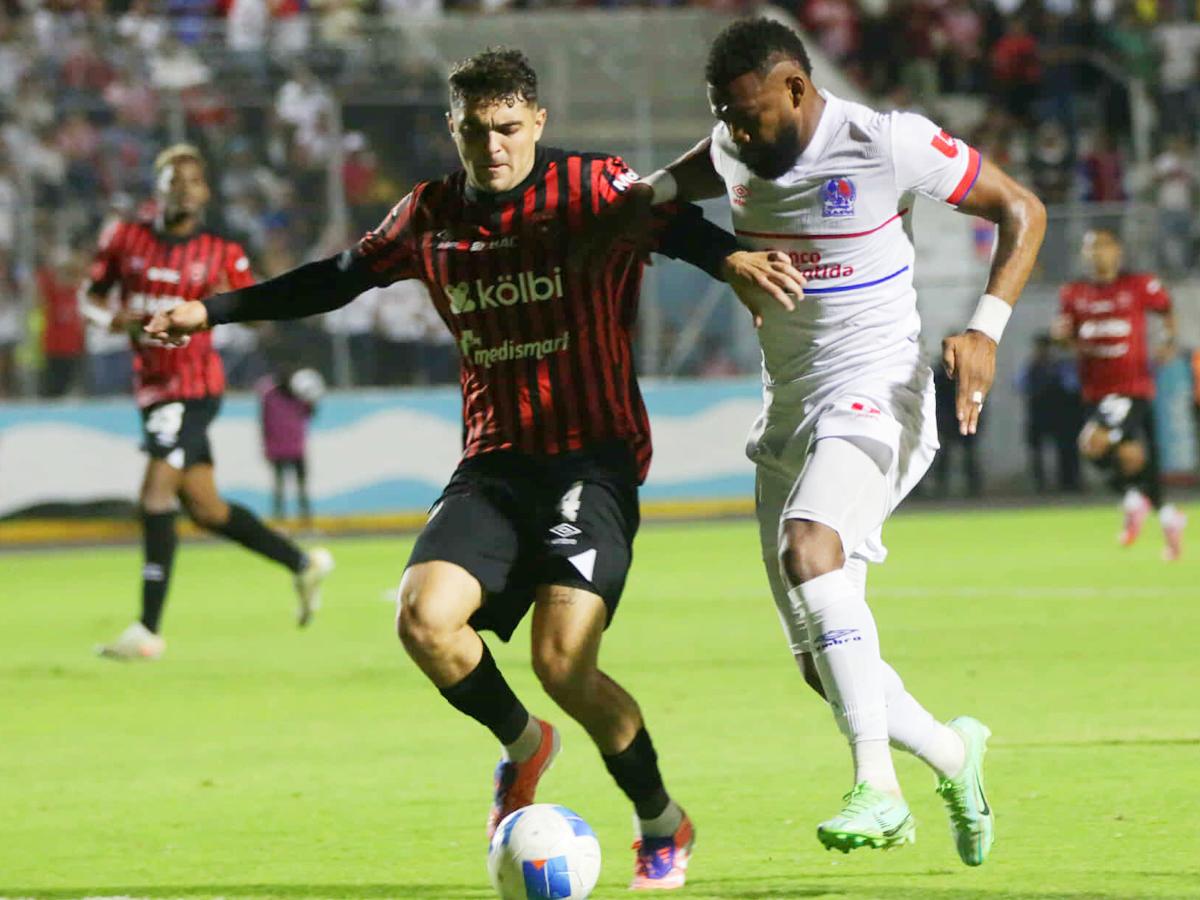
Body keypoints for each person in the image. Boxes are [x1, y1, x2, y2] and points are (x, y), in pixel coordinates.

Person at [144, 49, 805, 890]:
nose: (492, 146)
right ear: (451, 130)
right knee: (423, 620)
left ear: (535, 123)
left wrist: (730, 260)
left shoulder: (591, 187)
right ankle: (525, 745)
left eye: (506, 128)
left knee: (564, 663)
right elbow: (336, 279)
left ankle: (661, 822)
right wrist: (213, 310)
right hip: (493, 463)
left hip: (589, 461)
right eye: (474, 131)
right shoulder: (430, 214)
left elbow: (669, 221)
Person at [588, 18, 1045, 865]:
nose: (737, 132)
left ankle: (878, 787)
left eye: (750, 114)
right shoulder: (729, 148)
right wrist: (628, 206)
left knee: (812, 549)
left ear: (796, 88)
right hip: (790, 411)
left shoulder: (885, 142)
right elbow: (650, 205)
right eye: (723, 115)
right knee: (821, 664)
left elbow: (1021, 208)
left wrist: (985, 327)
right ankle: (956, 755)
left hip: (881, 393)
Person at [79, 144, 334, 661]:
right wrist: (109, 319)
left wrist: (238, 305)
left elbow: (254, 308)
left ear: (205, 192)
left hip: (194, 390)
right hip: (151, 390)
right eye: (173, 178)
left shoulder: (221, 251)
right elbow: (90, 294)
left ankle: (147, 630)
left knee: (155, 492)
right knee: (207, 508)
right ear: (158, 186)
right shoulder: (124, 237)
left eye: (192, 180)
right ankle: (301, 563)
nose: (183, 187)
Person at [1054, 228, 1186, 560]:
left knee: (1091, 443)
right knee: (1130, 458)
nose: (1096, 253)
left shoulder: (1139, 285)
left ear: (1117, 251)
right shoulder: (1074, 293)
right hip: (1095, 390)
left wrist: (1168, 342)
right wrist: (1061, 338)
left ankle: (1130, 499)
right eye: (1090, 248)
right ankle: (1169, 516)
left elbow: (1167, 309)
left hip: (1131, 387)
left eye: (1102, 246)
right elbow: (1069, 338)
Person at [1017, 332, 1082, 493]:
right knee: (1036, 452)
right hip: (1038, 415)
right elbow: (1019, 385)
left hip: (1060, 416)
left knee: (1066, 450)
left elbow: (1073, 386)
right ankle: (1039, 484)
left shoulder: (1062, 367)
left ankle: (1068, 483)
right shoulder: (1030, 367)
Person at [259, 367, 322, 528]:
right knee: (280, 488)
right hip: (278, 449)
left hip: (296, 449)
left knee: (301, 488)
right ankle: (281, 523)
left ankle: (305, 522)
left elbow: (310, 413)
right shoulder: (270, 397)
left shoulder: (299, 396)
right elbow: (264, 423)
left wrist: (313, 399)